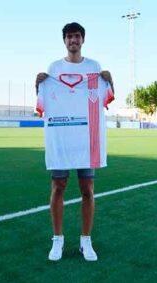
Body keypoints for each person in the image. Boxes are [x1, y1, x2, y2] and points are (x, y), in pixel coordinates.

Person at [36, 22, 115, 261]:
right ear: (64, 40)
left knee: (87, 189)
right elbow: (44, 102)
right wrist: (37, 84)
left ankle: (85, 241)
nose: (73, 40)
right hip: (61, 140)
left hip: (85, 140)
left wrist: (111, 82)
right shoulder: (53, 69)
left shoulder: (94, 68)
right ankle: (57, 240)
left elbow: (105, 101)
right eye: (69, 36)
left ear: (83, 40)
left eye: (77, 36)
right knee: (58, 187)